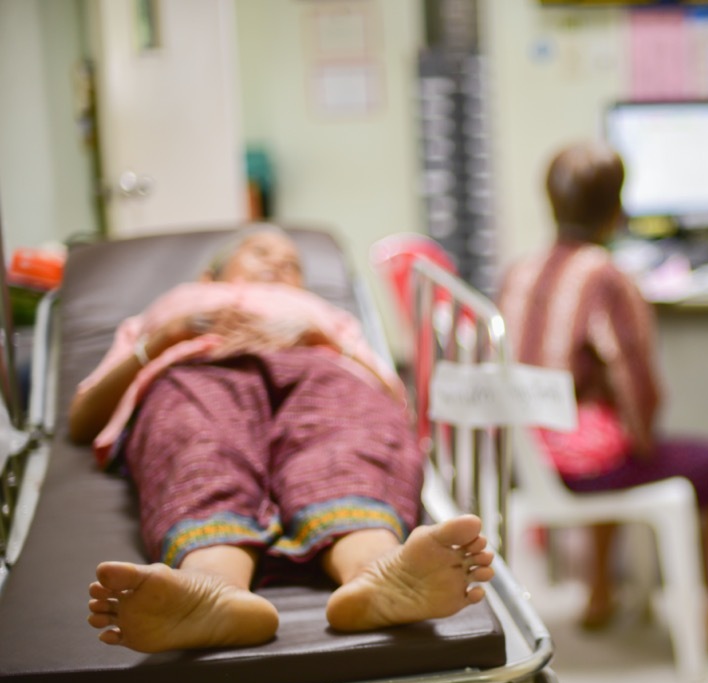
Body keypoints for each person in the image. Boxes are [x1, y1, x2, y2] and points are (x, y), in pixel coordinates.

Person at [75, 225, 494, 653]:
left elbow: (388, 403)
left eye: (292, 264)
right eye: (259, 252)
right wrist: (169, 336)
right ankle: (212, 587)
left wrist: (319, 339)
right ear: (210, 276)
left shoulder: (324, 317)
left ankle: (376, 571)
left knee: (350, 432)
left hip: (321, 369)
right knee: (198, 438)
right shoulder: (175, 306)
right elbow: (83, 416)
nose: (278, 263)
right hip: (199, 369)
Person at [497, 142, 708, 653]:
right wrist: (643, 438)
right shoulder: (608, 277)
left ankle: (599, 596)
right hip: (582, 466)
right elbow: (637, 389)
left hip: (526, 459)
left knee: (597, 431)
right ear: (618, 210)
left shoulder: (518, 270)